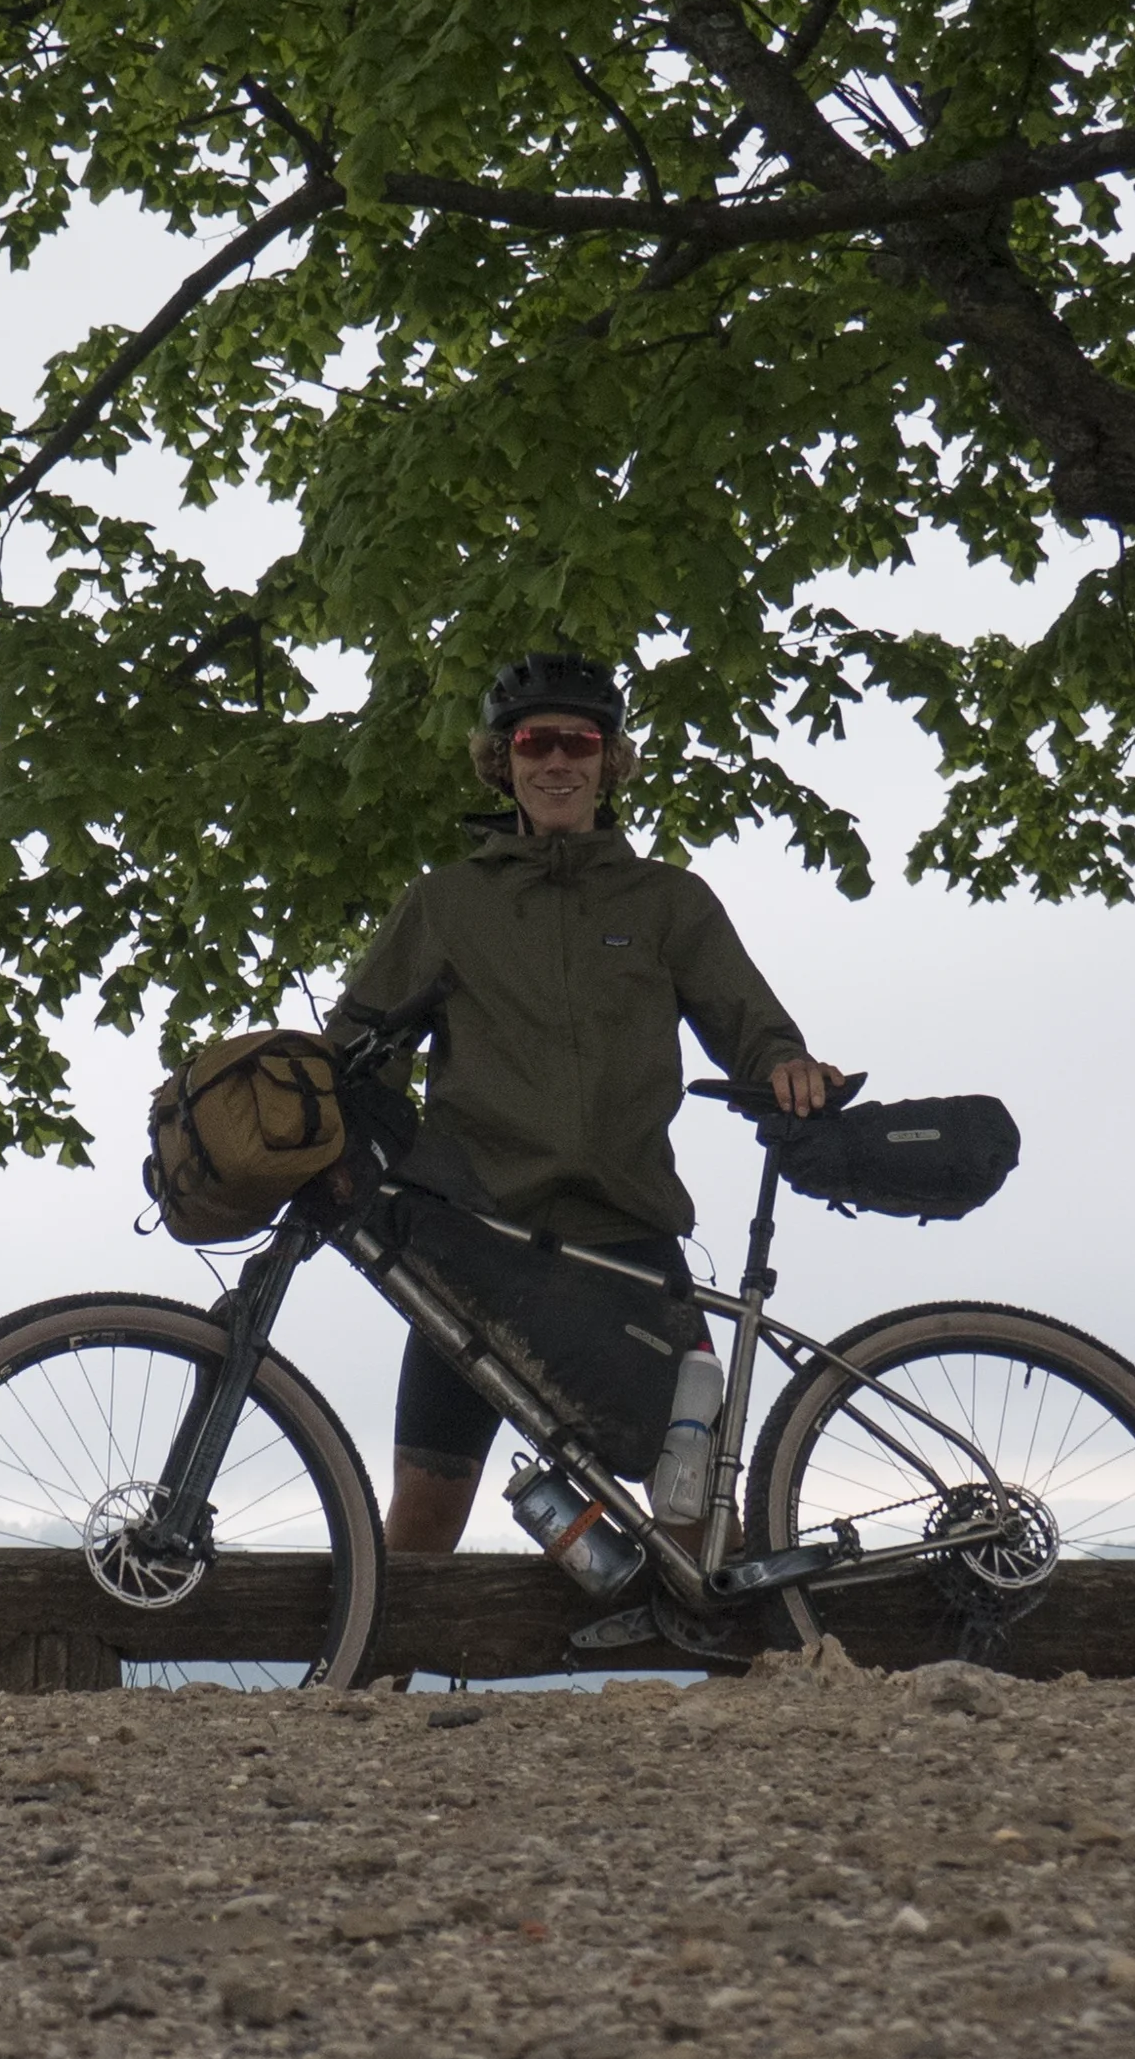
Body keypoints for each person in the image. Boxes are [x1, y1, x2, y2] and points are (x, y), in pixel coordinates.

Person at [333, 652, 839, 1559]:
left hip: (625, 1240)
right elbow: (355, 1042)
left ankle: (729, 1698)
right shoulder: (447, 904)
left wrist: (786, 1062)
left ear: (610, 762)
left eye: (581, 740)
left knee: (693, 1520)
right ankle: (370, 1697)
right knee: (423, 1516)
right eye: (536, 741)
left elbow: (750, 1024)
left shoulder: (667, 903)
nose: (557, 760)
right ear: (504, 761)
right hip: (473, 1244)